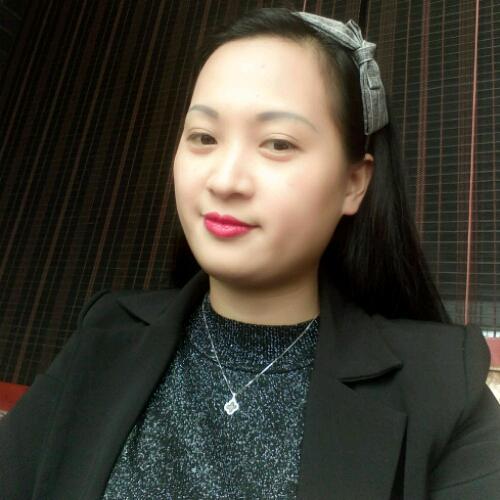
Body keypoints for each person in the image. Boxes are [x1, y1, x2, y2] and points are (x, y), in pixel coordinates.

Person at [1, 6, 499, 499]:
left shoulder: (442, 386)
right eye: (203, 137)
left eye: (278, 143)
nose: (224, 180)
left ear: (354, 183)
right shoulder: (106, 334)